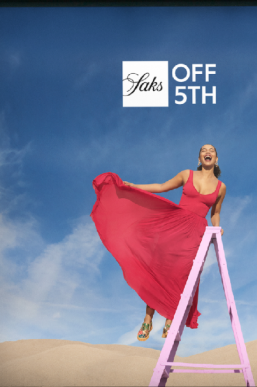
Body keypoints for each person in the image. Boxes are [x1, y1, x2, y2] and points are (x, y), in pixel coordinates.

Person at [90, 144, 228, 342]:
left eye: (212, 150)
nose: (208, 152)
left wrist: (217, 228)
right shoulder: (186, 174)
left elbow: (215, 212)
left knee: (182, 275)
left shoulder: (221, 187)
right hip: (173, 226)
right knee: (159, 269)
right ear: (199, 159)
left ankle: (171, 317)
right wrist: (135, 187)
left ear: (216, 159)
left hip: (196, 233)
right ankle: (148, 318)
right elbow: (162, 187)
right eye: (203, 150)